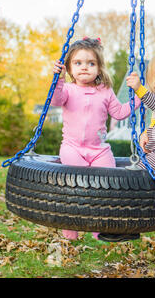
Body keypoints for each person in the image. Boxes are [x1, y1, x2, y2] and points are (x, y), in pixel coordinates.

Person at [97, 49, 155, 242]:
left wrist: (140, 89)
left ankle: (127, 225)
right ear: (154, 80)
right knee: (132, 180)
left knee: (130, 181)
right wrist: (146, 133)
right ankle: (126, 223)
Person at [51, 37, 141, 241]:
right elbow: (55, 100)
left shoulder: (105, 91)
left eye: (91, 63)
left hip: (99, 149)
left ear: (99, 68)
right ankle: (70, 227)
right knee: (79, 185)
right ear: (69, 68)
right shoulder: (67, 89)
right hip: (72, 148)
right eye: (78, 63)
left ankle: (99, 229)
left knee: (106, 186)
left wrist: (138, 98)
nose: (84, 67)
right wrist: (58, 79)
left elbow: (119, 112)